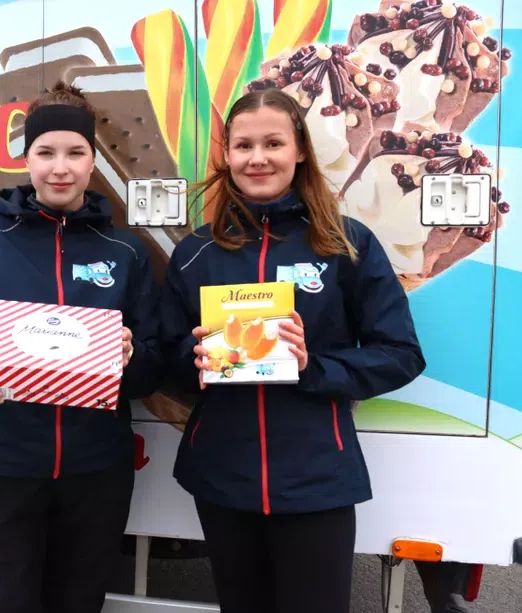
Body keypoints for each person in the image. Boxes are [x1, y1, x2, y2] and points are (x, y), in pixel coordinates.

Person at [158, 88, 426, 613]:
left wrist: (312, 366)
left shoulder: (345, 243)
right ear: (228, 155)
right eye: (244, 146)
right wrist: (192, 360)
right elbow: (166, 356)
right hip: (222, 478)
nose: (258, 158)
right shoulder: (195, 253)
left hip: (317, 479)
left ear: (300, 150)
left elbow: (401, 354)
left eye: (273, 143)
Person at [0, 81, 163, 613]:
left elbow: (158, 359)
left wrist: (133, 358)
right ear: (26, 159)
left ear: (93, 161)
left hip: (94, 473)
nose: (60, 168)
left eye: (75, 153)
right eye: (46, 153)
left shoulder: (125, 252)